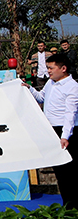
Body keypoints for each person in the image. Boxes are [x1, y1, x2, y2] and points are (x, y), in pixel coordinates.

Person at [27, 53, 78, 209]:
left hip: (66, 131)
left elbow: (70, 114)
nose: (48, 71)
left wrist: (65, 136)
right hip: (52, 129)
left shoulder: (72, 86)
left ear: (63, 68)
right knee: (60, 173)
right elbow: (41, 98)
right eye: (47, 68)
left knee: (70, 172)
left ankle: (73, 207)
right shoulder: (50, 83)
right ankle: (67, 206)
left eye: (51, 68)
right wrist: (28, 88)